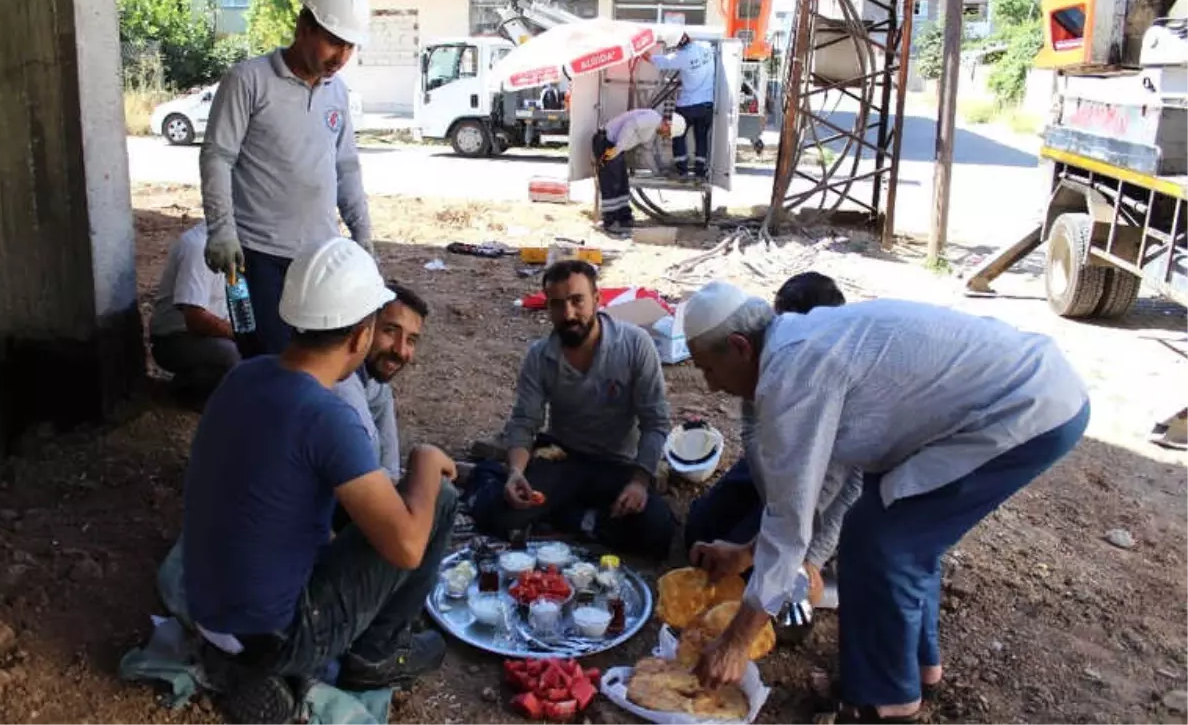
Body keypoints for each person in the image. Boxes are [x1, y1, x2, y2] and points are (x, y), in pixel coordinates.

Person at [681, 282, 1089, 722]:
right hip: (1026, 387)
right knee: (898, 535)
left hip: (1024, 406)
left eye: (709, 369)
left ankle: (888, 701)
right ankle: (916, 669)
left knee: (884, 542)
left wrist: (736, 641)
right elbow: (813, 487)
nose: (711, 386)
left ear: (740, 347)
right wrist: (748, 552)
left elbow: (790, 516)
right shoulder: (797, 345)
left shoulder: (791, 376)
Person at [182, 238, 454, 724]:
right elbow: (408, 547)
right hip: (276, 633)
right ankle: (375, 656)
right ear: (359, 337)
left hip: (207, 611)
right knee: (440, 500)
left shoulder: (246, 375)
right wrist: (427, 460)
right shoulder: (326, 415)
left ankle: (246, 666)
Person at [201, 0, 374, 358]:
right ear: (303, 27)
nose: (341, 58)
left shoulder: (337, 92)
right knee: (267, 363)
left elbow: (345, 166)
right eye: (334, 42)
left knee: (322, 364)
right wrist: (221, 231)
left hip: (319, 260)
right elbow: (217, 156)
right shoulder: (248, 81)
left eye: (350, 47)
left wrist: (362, 237)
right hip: (256, 259)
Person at [469, 260, 676, 559]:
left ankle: (569, 517)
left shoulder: (635, 345)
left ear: (597, 298)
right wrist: (515, 472)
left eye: (577, 300)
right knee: (502, 516)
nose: (568, 314)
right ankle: (490, 475)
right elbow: (525, 422)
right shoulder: (540, 356)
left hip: (619, 465)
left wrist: (640, 482)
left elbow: (655, 421)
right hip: (564, 458)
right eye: (556, 304)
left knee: (658, 532)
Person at [684, 273, 861, 610]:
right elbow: (755, 433)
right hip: (773, 466)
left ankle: (839, 587)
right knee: (703, 533)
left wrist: (808, 557)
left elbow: (849, 485)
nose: (710, 386)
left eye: (709, 371)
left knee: (773, 585)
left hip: (823, 485)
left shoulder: (828, 376)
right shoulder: (766, 354)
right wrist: (775, 505)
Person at [333, 282, 429, 483]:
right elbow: (372, 479)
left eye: (411, 340)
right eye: (391, 331)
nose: (400, 350)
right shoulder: (342, 387)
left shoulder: (374, 379)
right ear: (364, 328)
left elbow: (390, 469)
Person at [148, 222, 242, 404]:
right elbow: (195, 318)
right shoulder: (198, 246)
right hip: (176, 337)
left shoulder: (242, 243)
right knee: (231, 354)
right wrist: (242, 335)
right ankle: (186, 391)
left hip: (215, 331)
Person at [593, 109, 687, 234]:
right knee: (611, 184)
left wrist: (657, 172)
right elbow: (630, 125)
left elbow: (647, 152)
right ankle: (610, 221)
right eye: (668, 133)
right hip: (605, 142)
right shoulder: (652, 118)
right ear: (667, 125)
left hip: (615, 147)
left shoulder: (652, 131)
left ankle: (624, 218)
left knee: (622, 183)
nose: (665, 137)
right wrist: (618, 148)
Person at [644, 29, 715, 178]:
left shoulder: (681, 56)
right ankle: (700, 171)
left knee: (677, 133)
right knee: (701, 137)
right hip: (707, 104)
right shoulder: (706, 47)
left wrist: (639, 52)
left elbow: (657, 61)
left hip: (687, 105)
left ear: (677, 45)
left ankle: (682, 170)